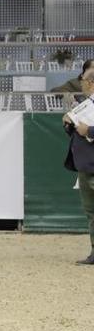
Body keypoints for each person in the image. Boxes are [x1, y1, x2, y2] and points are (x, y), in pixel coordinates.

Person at [62, 66, 94, 265]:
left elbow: (87, 131)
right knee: (91, 211)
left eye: (82, 80)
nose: (80, 84)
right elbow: (76, 132)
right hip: (85, 165)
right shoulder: (85, 106)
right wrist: (69, 124)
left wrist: (89, 131)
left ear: (91, 83)